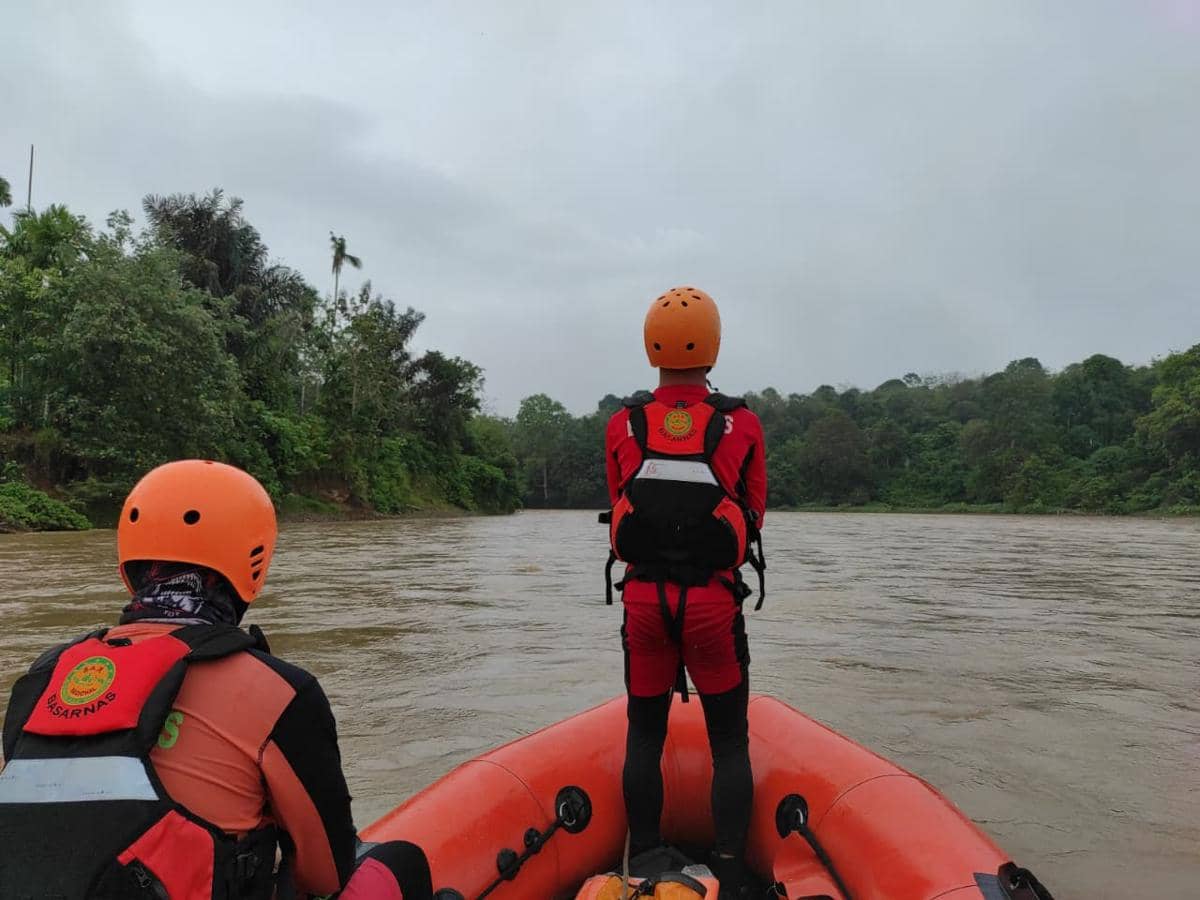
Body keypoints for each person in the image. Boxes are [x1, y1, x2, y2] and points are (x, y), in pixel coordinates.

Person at [0, 459, 433, 900]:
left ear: (128, 565)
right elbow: (325, 875)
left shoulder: (42, 677)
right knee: (401, 861)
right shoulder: (280, 690)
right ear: (253, 564)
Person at [604, 286, 767, 900]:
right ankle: (728, 865)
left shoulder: (623, 422)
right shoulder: (741, 422)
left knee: (643, 733)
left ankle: (644, 853)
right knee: (729, 740)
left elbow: (618, 499)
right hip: (712, 608)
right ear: (715, 345)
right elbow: (753, 515)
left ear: (652, 346)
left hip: (644, 604)